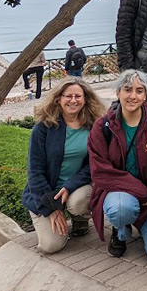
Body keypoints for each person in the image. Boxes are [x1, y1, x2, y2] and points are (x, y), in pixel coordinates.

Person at [86, 70, 147, 261]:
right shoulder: (103, 126)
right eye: (127, 89)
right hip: (120, 193)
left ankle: (141, 221)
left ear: (145, 95)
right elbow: (100, 172)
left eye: (139, 91)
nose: (133, 96)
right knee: (121, 208)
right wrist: (141, 194)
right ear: (118, 93)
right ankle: (121, 230)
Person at [21, 77, 106, 254]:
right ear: (58, 98)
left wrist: (70, 186)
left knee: (78, 202)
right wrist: (52, 208)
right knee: (50, 246)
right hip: (45, 192)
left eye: (78, 96)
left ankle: (79, 217)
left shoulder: (93, 126)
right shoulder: (43, 128)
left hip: (75, 188)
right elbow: (35, 171)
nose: (73, 100)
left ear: (85, 99)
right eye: (68, 96)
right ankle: (53, 217)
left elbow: (93, 165)